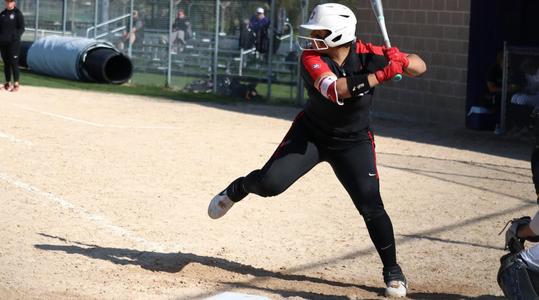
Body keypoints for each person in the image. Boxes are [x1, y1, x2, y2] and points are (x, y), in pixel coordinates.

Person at [208, 3, 426, 298]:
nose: (312, 38)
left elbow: (419, 66)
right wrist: (381, 75)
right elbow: (335, 89)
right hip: (311, 134)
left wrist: (402, 60)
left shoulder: (368, 53)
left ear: (339, 34)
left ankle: (393, 271)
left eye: (319, 32)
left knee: (371, 204)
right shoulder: (311, 57)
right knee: (270, 184)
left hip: (353, 141)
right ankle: (238, 188)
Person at [0, 0, 24, 92]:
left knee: (14, 63)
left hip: (14, 43)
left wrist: (15, 37)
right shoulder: (2, 14)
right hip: (3, 43)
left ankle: (16, 84)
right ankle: (7, 83)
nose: (8, 4)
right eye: (7, 2)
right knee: (6, 63)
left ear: (14, 3)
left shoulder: (17, 13)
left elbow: (22, 28)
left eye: (10, 2)